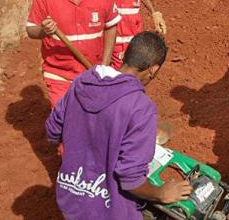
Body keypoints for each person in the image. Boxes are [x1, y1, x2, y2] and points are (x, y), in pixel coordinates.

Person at [46, 32, 192, 219]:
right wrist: (161, 193)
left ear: (124, 55)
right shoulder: (141, 108)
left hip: (71, 200)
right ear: (153, 70)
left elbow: (53, 131)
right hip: (110, 211)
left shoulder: (81, 83)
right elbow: (130, 180)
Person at [27, 0, 120, 106]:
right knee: (66, 120)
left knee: (93, 119)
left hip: (93, 72)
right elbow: (31, 30)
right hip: (59, 74)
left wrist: (104, 66)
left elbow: (111, 27)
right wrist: (43, 30)